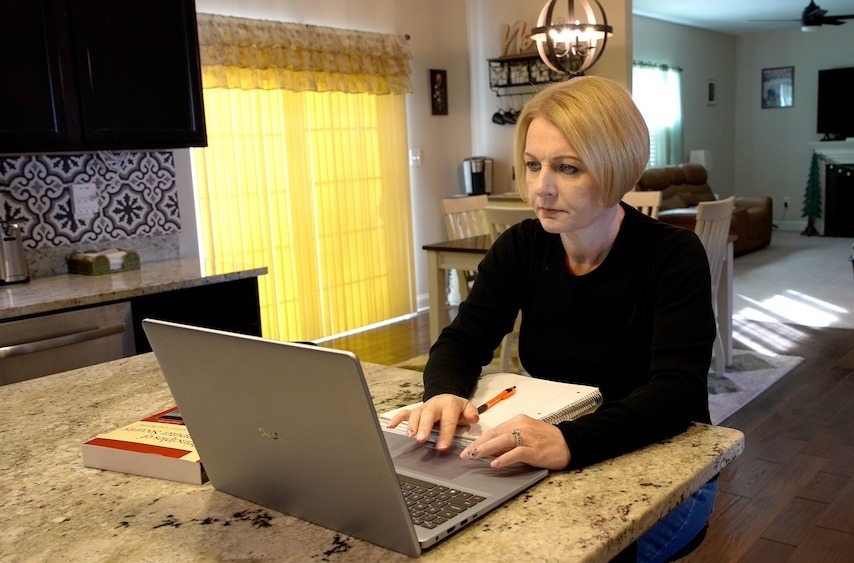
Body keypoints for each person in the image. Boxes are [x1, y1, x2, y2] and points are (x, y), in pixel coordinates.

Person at [390, 75, 718, 562]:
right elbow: (462, 340)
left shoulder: (672, 255)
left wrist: (568, 442)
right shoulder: (522, 246)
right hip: (552, 450)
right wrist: (443, 391)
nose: (541, 188)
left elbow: (677, 392)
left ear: (616, 168)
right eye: (532, 165)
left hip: (667, 468)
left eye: (567, 168)